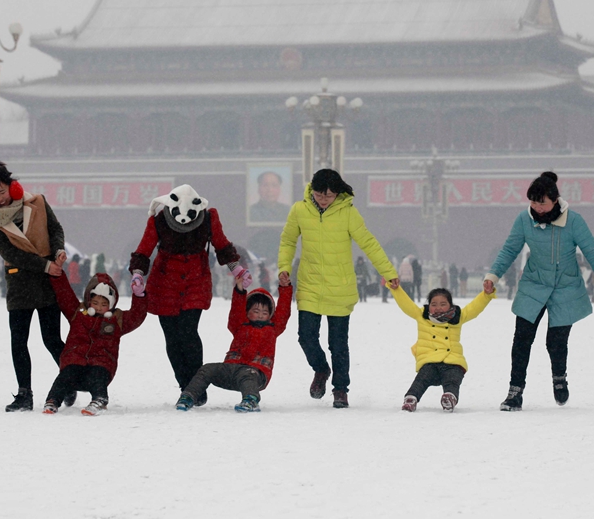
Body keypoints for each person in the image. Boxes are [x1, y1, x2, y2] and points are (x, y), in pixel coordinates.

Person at [483, 171, 594, 412]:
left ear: (555, 200)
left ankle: (559, 378)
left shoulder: (574, 221)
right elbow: (509, 250)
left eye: (542, 202)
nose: (537, 207)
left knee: (555, 342)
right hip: (533, 285)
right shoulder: (524, 220)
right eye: (533, 202)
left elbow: (593, 252)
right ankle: (515, 392)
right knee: (521, 340)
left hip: (565, 287)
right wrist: (493, 275)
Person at [278, 168, 398, 408]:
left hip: (340, 286)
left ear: (338, 193)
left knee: (338, 344)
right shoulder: (299, 210)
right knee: (306, 337)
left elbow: (369, 243)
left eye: (329, 195)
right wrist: (284, 267)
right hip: (310, 285)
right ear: (312, 190)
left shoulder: (348, 214)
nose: (324, 199)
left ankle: (341, 389)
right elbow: (288, 240)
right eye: (320, 194)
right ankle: (321, 369)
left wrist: (388, 272)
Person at [128, 184, 245, 406]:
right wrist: (137, 274)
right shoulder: (159, 220)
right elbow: (144, 249)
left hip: (195, 280)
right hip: (165, 283)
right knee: (172, 337)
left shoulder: (209, 218)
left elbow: (222, 245)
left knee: (189, 333)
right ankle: (185, 386)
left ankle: (196, 385)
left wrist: (237, 269)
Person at [0, 162, 68, 412]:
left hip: (48, 281)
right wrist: (44, 265)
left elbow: (55, 228)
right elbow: (9, 252)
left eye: (1, 191)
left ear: (11, 186)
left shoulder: (37, 202)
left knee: (52, 339)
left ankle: (68, 383)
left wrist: (58, 250)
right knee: (18, 340)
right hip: (20, 282)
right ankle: (24, 394)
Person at [176, 271, 293, 412]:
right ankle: (188, 397)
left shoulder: (273, 328)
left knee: (248, 376)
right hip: (231, 369)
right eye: (256, 311)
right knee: (207, 369)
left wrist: (285, 288)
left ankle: (251, 399)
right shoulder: (239, 325)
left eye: (265, 312)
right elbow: (236, 310)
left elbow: (283, 312)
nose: (261, 315)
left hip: (256, 372)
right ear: (247, 311)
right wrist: (239, 290)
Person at [42, 271, 147, 416]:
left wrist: (139, 295)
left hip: (101, 362)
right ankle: (53, 400)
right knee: (65, 376)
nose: (98, 307)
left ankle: (100, 399)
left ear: (111, 304)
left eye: (104, 304)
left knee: (98, 376)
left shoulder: (117, 319)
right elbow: (64, 293)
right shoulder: (77, 312)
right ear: (88, 300)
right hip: (75, 359)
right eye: (95, 303)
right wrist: (58, 275)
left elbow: (137, 315)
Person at [388, 278, 495, 412]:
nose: (438, 307)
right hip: (429, 360)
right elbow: (406, 304)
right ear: (429, 305)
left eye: (443, 304)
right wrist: (396, 290)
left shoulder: (458, 317)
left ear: (450, 305)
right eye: (434, 304)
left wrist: (486, 295)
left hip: (452, 359)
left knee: (453, 378)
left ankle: (449, 397)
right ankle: (411, 398)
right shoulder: (422, 316)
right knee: (422, 379)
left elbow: (474, 307)